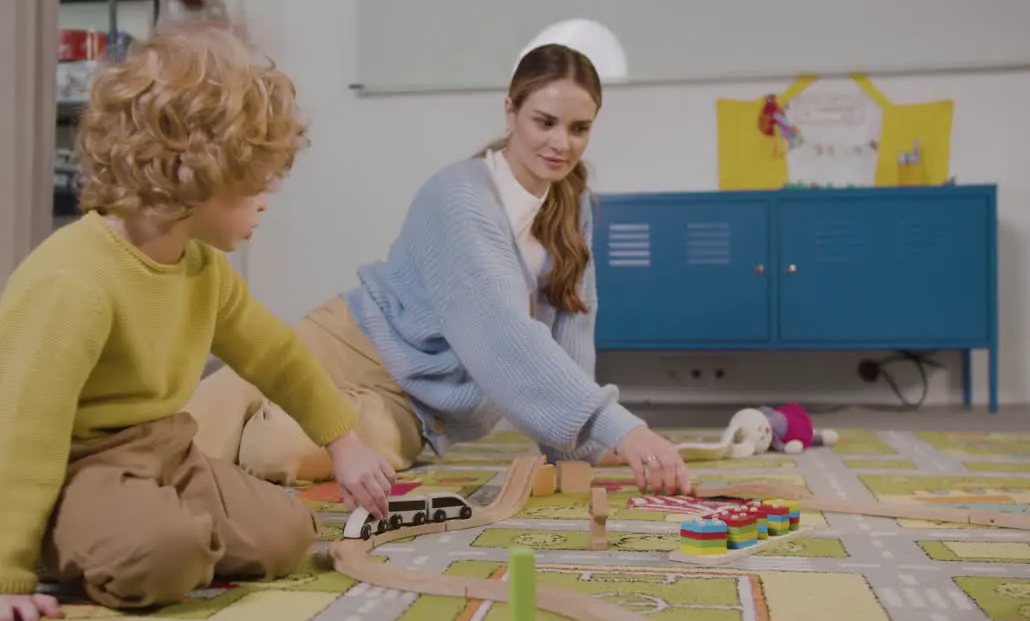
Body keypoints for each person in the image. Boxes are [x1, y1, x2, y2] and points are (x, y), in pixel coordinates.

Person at [0, 25, 395, 621]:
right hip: (73, 468)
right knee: (166, 559)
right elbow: (17, 438)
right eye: (255, 186)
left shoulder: (202, 267)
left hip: (165, 450)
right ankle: (70, 538)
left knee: (289, 534)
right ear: (193, 176)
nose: (266, 203)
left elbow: (276, 355)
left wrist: (344, 444)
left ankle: (147, 527)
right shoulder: (72, 282)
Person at [184, 42, 691, 497]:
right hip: (350, 340)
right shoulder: (461, 196)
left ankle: (241, 446)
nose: (562, 143)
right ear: (510, 111)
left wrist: (576, 449)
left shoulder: (573, 206)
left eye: (579, 128)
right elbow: (500, 329)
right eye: (545, 122)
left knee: (274, 449)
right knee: (203, 411)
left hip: (415, 407)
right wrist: (619, 424)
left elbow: (574, 324)